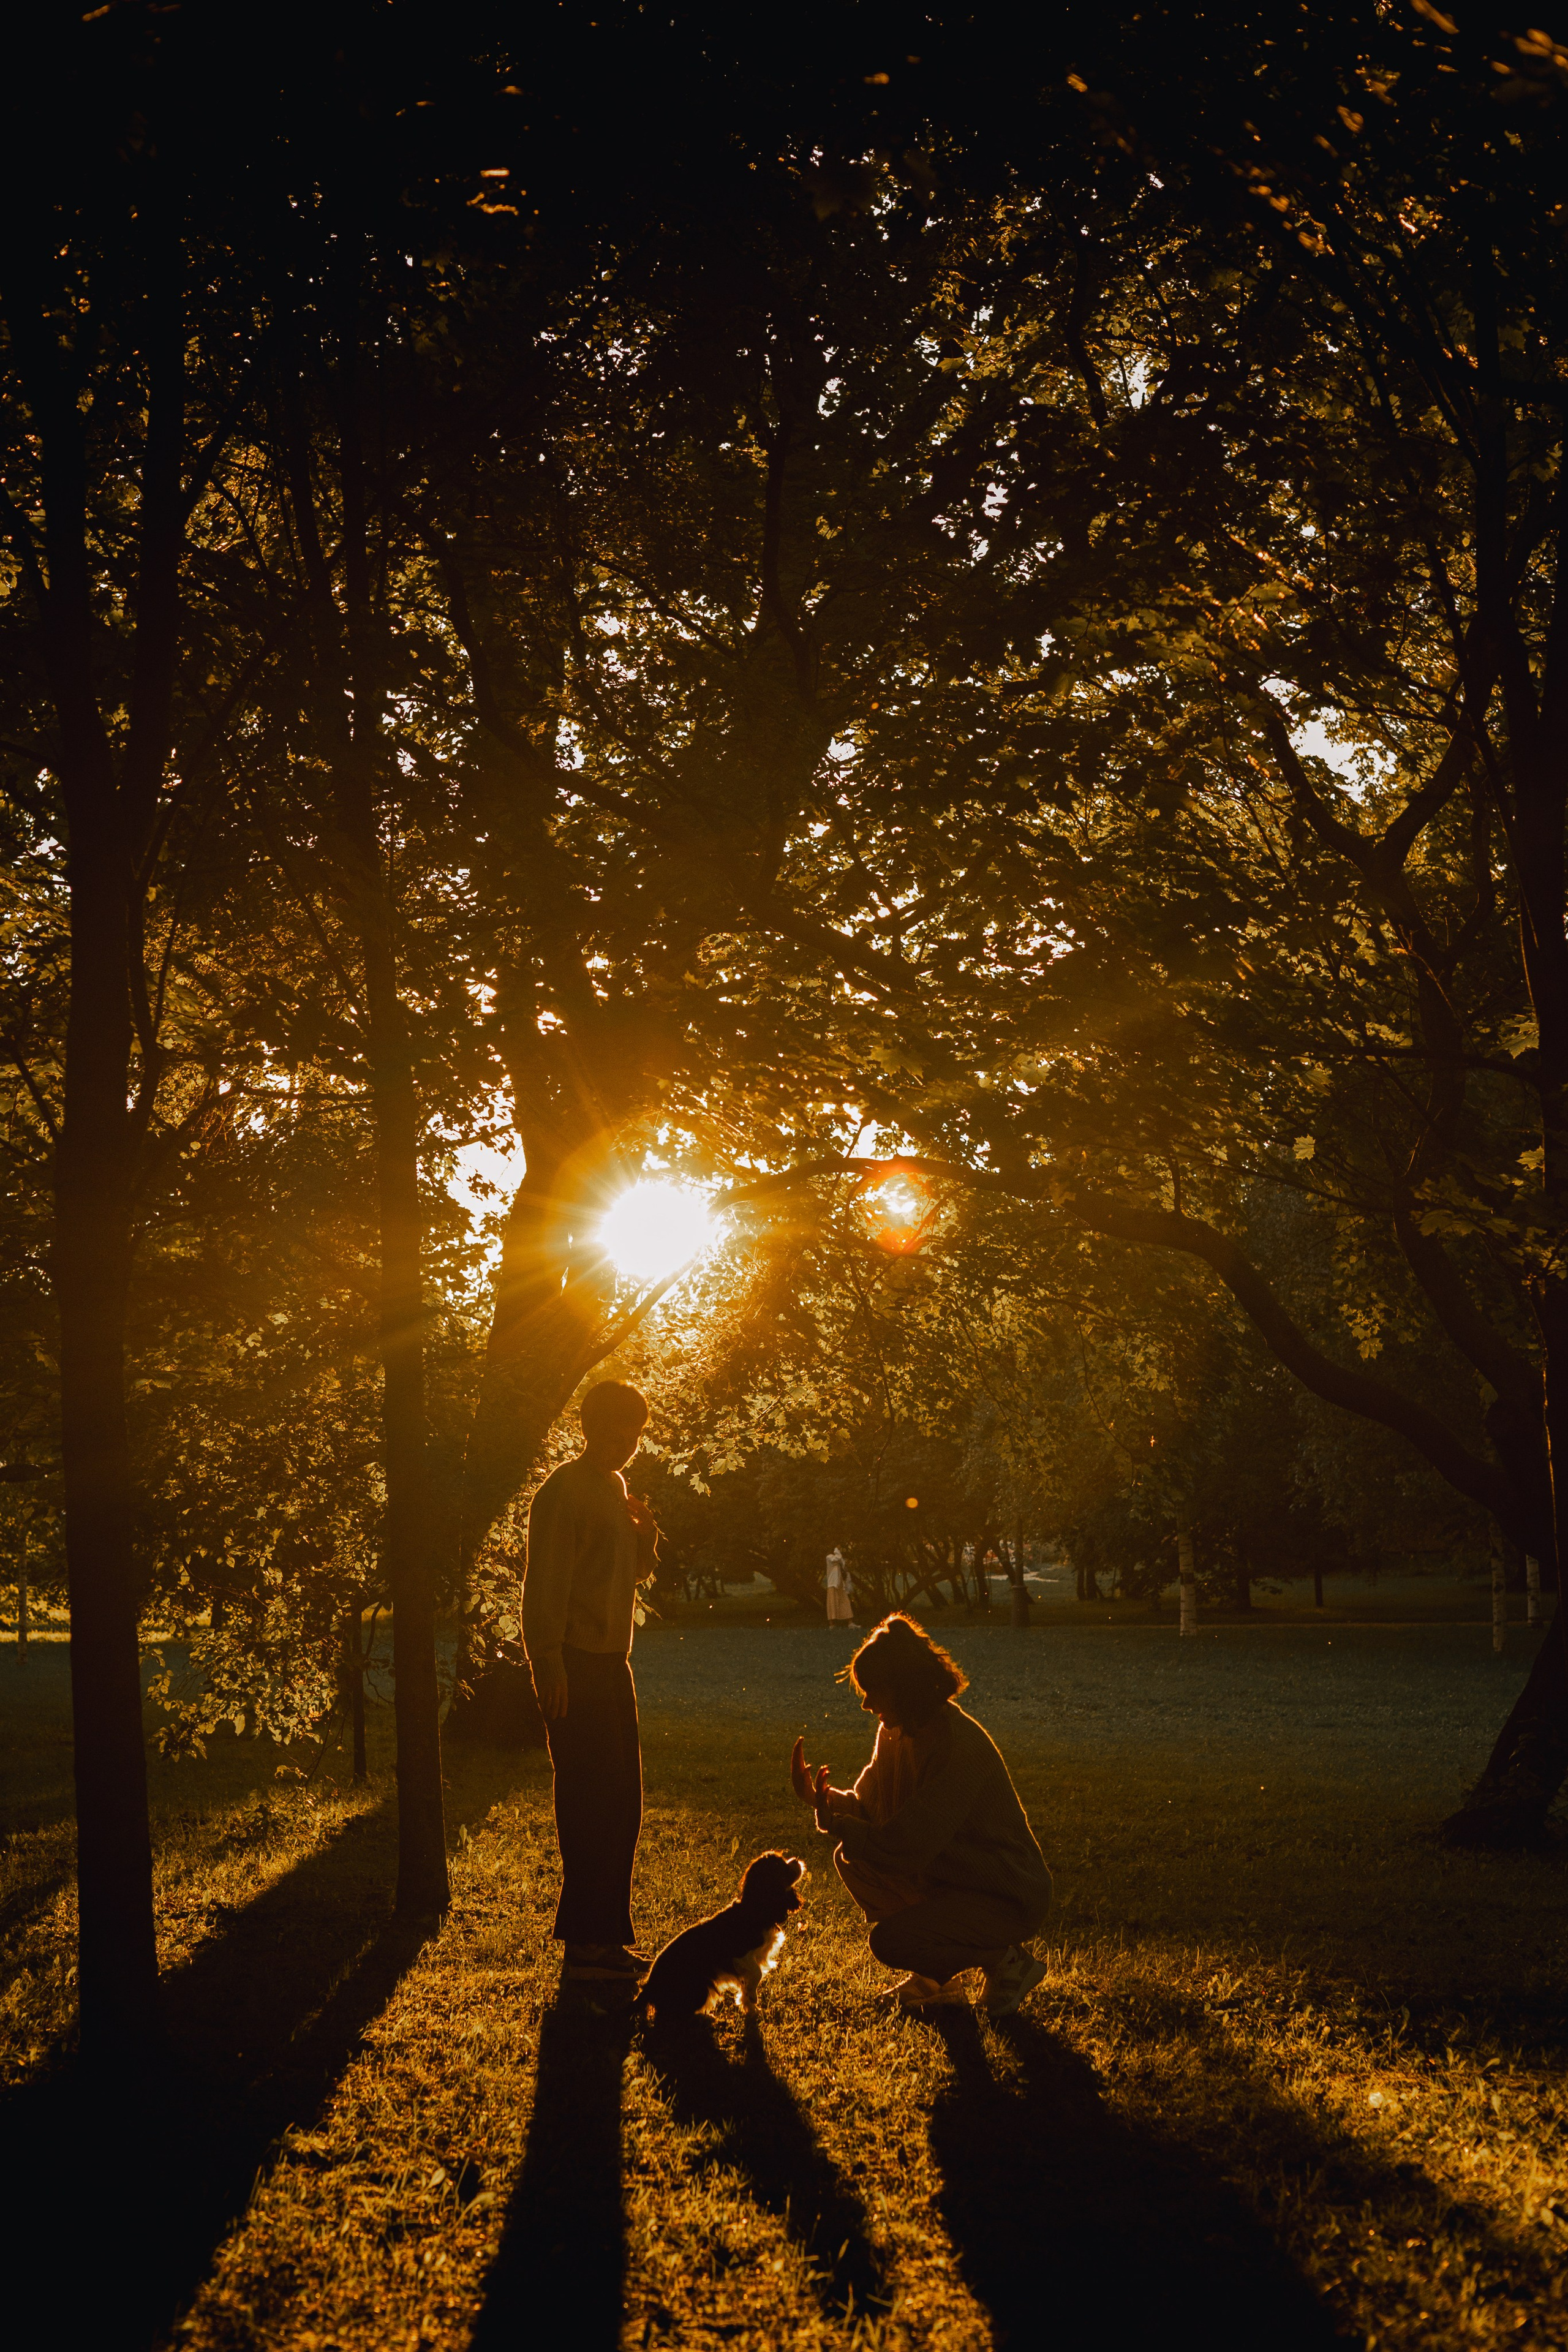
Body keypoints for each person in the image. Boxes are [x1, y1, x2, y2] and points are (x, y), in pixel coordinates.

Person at [790, 1613, 1050, 2014]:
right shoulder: (896, 1731)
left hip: (1004, 1894)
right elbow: (871, 1810)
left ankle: (1009, 1962)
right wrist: (823, 1801)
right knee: (852, 1858)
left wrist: (840, 1824)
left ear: (905, 1687)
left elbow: (909, 1845)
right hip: (950, 1880)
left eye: (874, 1690)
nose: (866, 1703)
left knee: (893, 1943)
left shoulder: (957, 1746)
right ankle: (934, 1979)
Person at [523, 1378, 659, 1984]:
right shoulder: (564, 1492)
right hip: (573, 1665)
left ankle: (606, 1939)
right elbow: (543, 1585)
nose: (623, 1443)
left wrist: (646, 1537)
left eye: (632, 1433)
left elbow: (631, 1573)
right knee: (587, 1804)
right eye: (611, 1430)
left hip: (612, 1665)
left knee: (622, 1806)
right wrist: (547, 1663)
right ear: (587, 1427)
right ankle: (583, 1948)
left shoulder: (616, 1488)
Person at [824, 1547, 857, 1628]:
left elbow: (844, 1564)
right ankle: (832, 1624)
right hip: (833, 1584)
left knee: (845, 1602)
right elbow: (838, 1558)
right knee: (832, 1604)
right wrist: (836, 1549)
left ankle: (850, 1623)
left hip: (840, 1584)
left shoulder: (837, 1558)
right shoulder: (829, 1557)